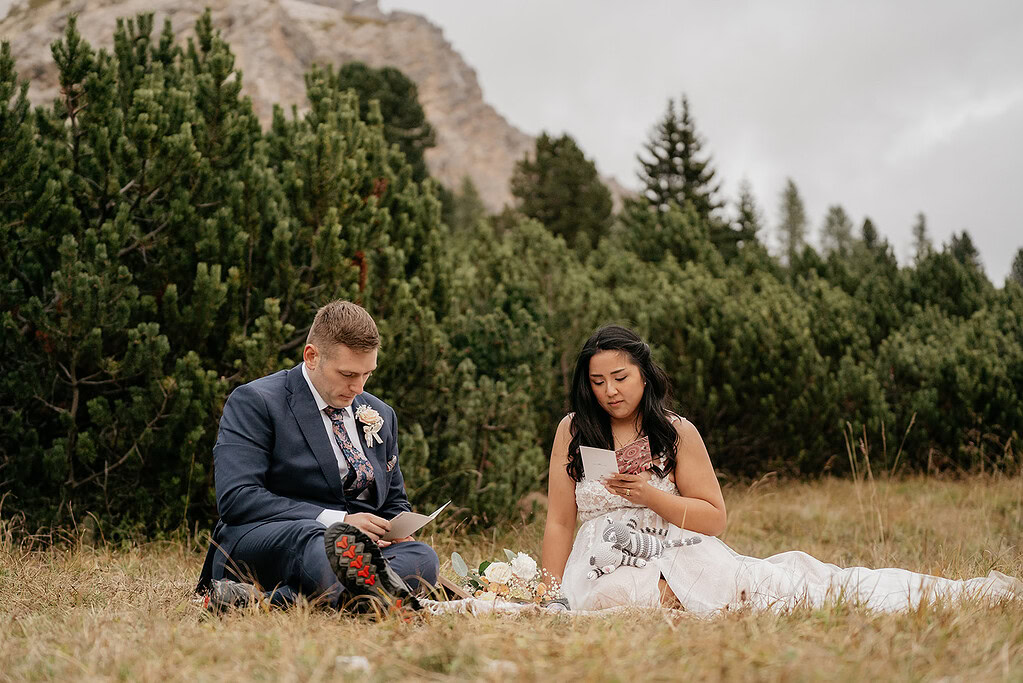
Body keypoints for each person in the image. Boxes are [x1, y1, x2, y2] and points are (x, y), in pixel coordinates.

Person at [541, 325, 1021, 613]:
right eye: (598, 381)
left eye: (621, 378)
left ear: (645, 374)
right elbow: (560, 521)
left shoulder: (677, 431)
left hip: (677, 551)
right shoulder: (574, 429)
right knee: (612, 598)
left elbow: (715, 517)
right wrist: (546, 591)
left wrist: (652, 496)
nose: (610, 391)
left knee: (785, 591)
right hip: (599, 561)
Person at [196, 300, 438, 611]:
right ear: (311, 356)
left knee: (423, 559)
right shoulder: (256, 401)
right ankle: (372, 596)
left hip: (355, 554)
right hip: (272, 538)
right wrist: (339, 523)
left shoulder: (380, 414)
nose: (358, 387)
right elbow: (237, 499)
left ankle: (273, 602)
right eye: (348, 373)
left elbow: (392, 501)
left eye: (367, 374)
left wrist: (394, 531)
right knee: (317, 540)